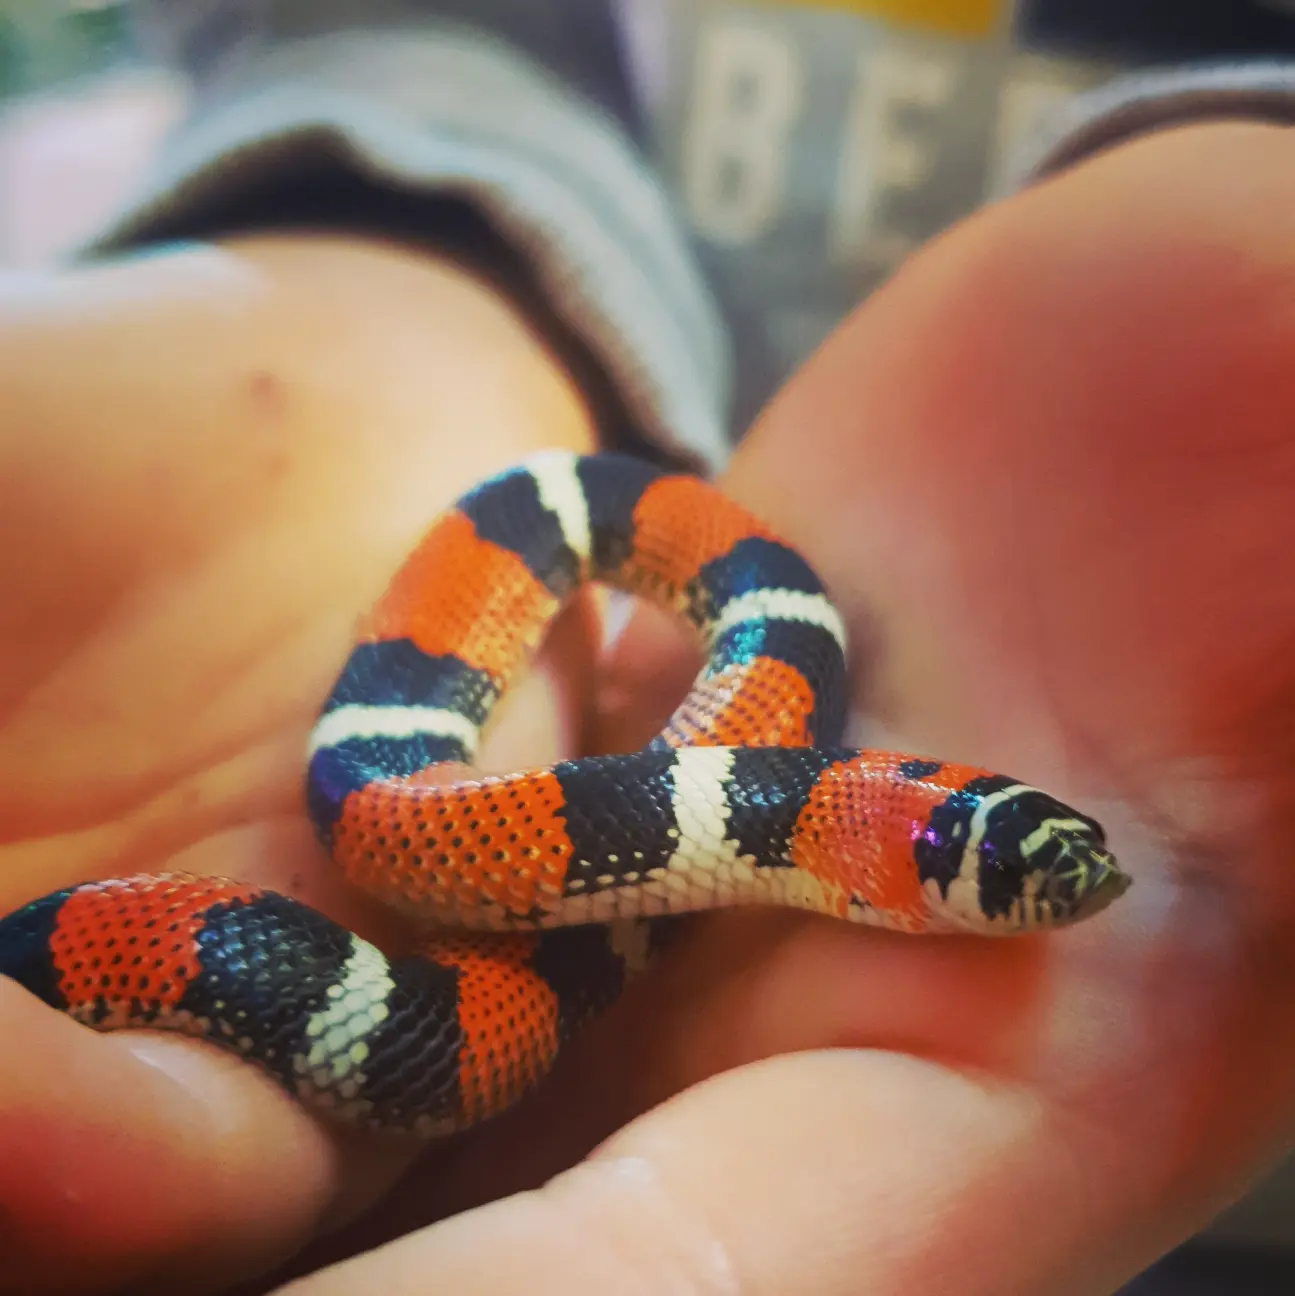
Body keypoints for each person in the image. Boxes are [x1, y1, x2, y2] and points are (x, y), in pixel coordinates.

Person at [3, 3, 1295, 1293]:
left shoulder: (766, 783)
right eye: (1002, 877)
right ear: (882, 872)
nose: (1066, 894)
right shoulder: (731, 784)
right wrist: (410, 249)